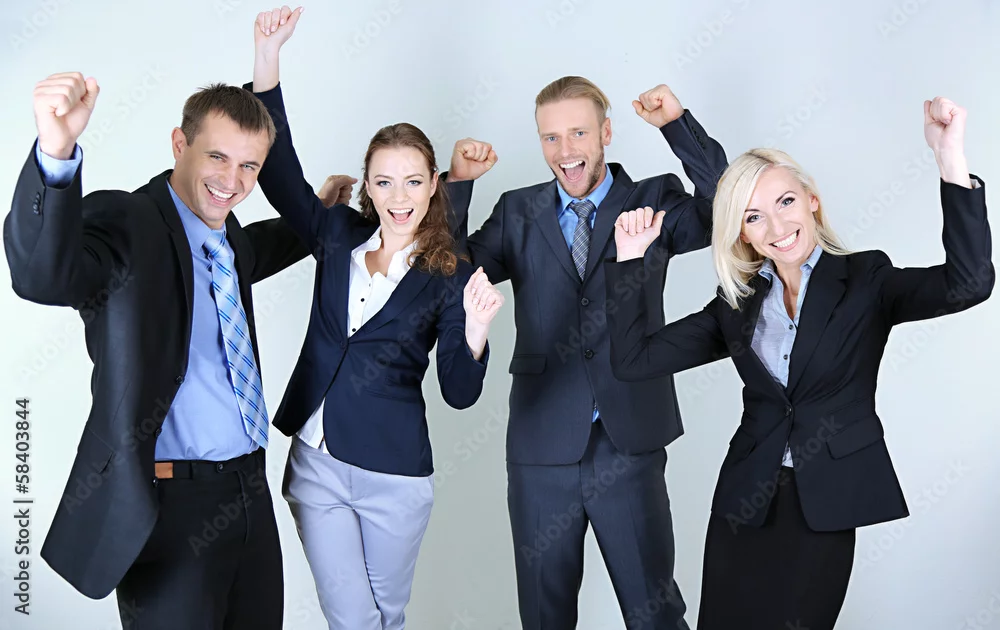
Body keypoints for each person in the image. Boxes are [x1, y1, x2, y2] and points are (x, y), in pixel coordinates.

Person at [604, 97, 993, 629]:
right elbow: (634, 360)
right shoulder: (736, 305)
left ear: (812, 200)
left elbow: (969, 284)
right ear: (742, 232)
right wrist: (631, 261)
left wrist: (950, 160)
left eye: (786, 201)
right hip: (744, 503)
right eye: (753, 216)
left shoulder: (866, 280)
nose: (776, 225)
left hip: (825, 500)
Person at [4, 71, 321, 628]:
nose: (233, 181)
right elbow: (42, 276)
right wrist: (55, 155)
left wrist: (323, 215)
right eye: (217, 157)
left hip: (250, 492)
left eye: (249, 166)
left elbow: (262, 247)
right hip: (168, 507)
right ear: (180, 144)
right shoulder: (128, 223)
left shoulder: (230, 240)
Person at [247, 8, 503, 629]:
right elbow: (279, 175)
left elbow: (459, 394)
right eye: (384, 182)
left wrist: (475, 333)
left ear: (434, 185)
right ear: (367, 184)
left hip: (395, 475)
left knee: (386, 616)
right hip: (317, 462)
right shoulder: (337, 234)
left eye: (413, 182)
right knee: (354, 620)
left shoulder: (449, 273)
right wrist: (268, 59)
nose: (398, 198)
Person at [454, 72, 729, 629]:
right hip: (541, 445)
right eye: (551, 137)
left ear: (606, 132)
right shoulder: (517, 211)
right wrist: (458, 185)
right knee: (544, 616)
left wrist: (677, 125)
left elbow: (725, 207)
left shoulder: (652, 200)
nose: (565, 151)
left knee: (654, 613)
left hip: (629, 439)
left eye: (578, 133)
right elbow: (451, 273)